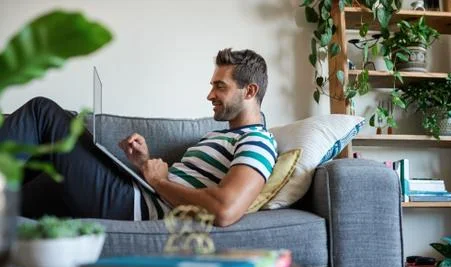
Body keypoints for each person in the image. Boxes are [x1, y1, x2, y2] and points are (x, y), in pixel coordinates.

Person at [0, 48, 277, 227]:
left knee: (41, 112)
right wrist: (144, 164)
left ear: (250, 91)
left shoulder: (258, 142)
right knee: (28, 191)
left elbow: (225, 209)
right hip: (139, 192)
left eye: (220, 86)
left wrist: (157, 180)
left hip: (139, 207)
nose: (210, 95)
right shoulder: (217, 137)